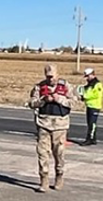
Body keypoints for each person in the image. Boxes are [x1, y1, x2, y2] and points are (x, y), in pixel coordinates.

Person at [28, 64, 74, 192]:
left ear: (57, 75)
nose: (50, 79)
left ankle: (59, 176)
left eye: (52, 77)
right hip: (44, 124)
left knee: (59, 154)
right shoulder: (39, 87)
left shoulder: (65, 86)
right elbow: (31, 103)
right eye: (48, 77)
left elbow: (73, 102)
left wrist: (59, 99)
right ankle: (44, 180)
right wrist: (43, 100)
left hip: (60, 125)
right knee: (42, 154)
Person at [79, 67, 103, 146]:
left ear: (92, 75)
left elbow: (96, 95)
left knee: (92, 124)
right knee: (90, 123)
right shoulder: (89, 84)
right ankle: (93, 139)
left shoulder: (97, 84)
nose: (86, 78)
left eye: (87, 76)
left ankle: (89, 139)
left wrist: (85, 96)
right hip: (89, 106)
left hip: (95, 106)